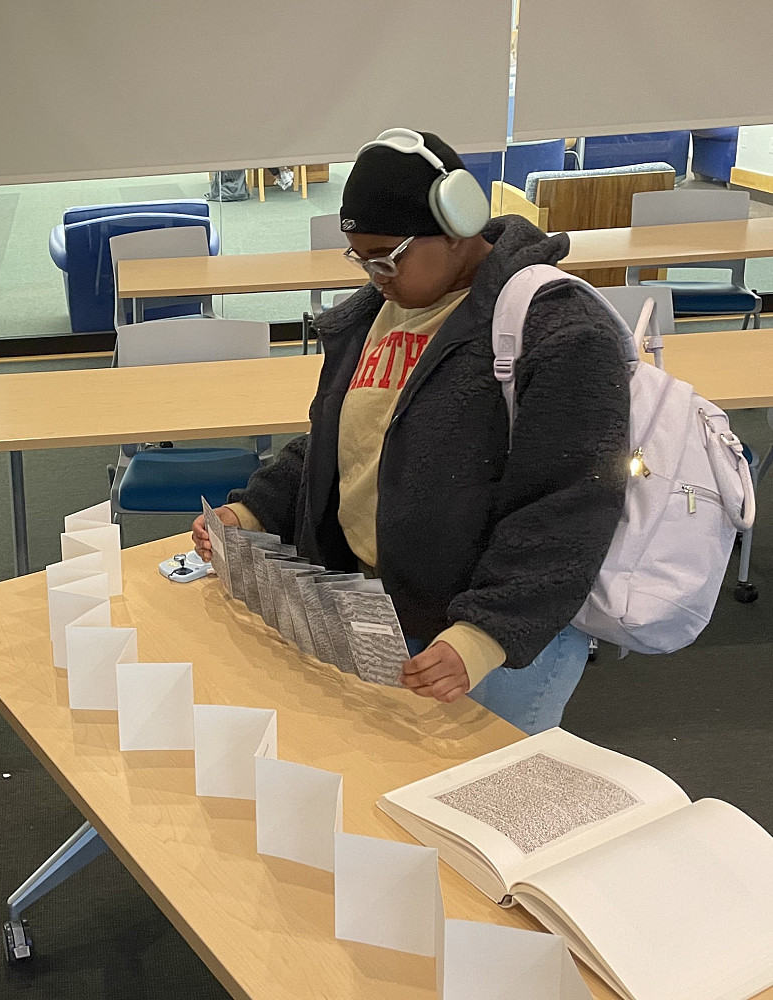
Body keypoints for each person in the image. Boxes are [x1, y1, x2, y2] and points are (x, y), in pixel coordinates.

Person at [192, 129, 630, 735]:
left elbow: (569, 508)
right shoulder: (374, 315)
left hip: (487, 642)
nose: (374, 275)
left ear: (458, 223)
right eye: (359, 257)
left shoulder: (557, 330)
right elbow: (345, 440)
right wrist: (257, 510)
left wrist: (484, 635)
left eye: (387, 257)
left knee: (481, 810)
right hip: (382, 613)